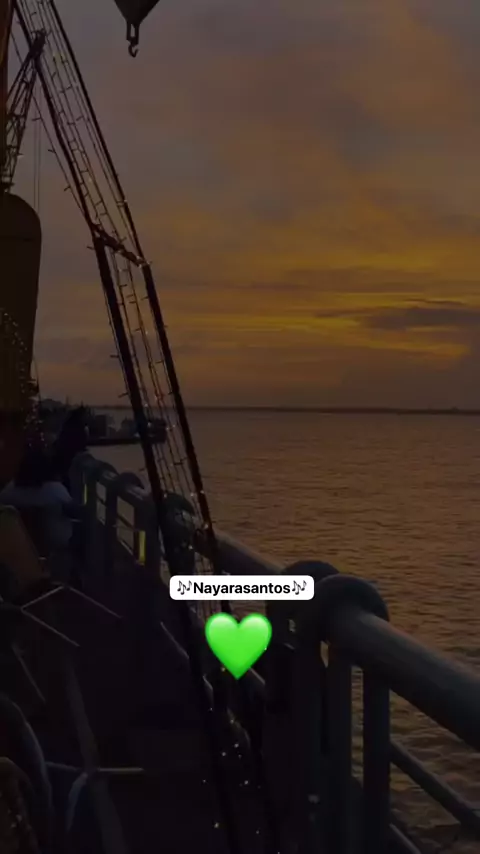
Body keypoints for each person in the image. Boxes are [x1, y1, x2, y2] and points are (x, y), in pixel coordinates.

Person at [0, 446, 75, 554]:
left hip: (18, 542)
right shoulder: (57, 491)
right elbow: (71, 509)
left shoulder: (10, 491)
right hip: (54, 542)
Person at [50, 406, 89, 490]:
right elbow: (81, 444)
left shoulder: (67, 425)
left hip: (62, 460)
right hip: (69, 461)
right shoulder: (79, 428)